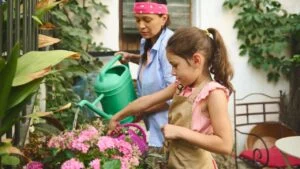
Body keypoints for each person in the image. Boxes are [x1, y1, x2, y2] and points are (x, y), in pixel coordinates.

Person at [110, 27, 234, 169]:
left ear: (196, 60)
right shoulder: (181, 86)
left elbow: (225, 145)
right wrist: (117, 117)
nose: (172, 72)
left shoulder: (213, 94)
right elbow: (147, 100)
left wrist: (180, 132)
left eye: (175, 65)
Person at [116, 0, 175, 161]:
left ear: (163, 18)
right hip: (150, 125)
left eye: (147, 20)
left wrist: (141, 110)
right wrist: (132, 58)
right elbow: (151, 64)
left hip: (164, 127)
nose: (141, 26)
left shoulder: (169, 46)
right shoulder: (147, 41)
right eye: (137, 20)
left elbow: (173, 95)